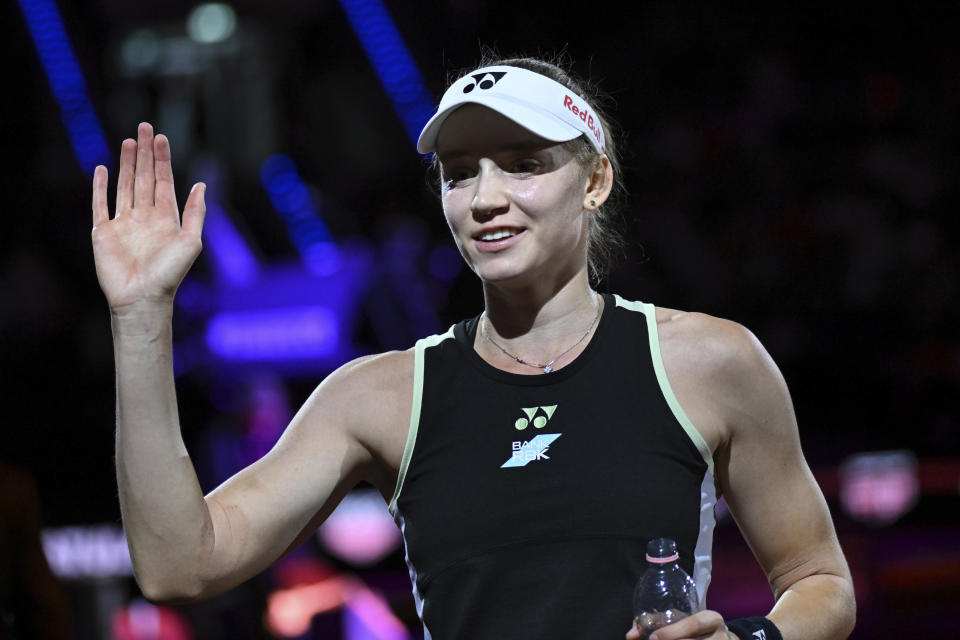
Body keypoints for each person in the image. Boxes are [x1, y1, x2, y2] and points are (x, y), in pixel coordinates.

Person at [91, 55, 856, 640]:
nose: (485, 197)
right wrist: (140, 314)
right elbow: (177, 564)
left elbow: (821, 581)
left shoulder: (710, 361)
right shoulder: (381, 395)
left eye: (523, 165)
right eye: (461, 175)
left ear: (595, 182)